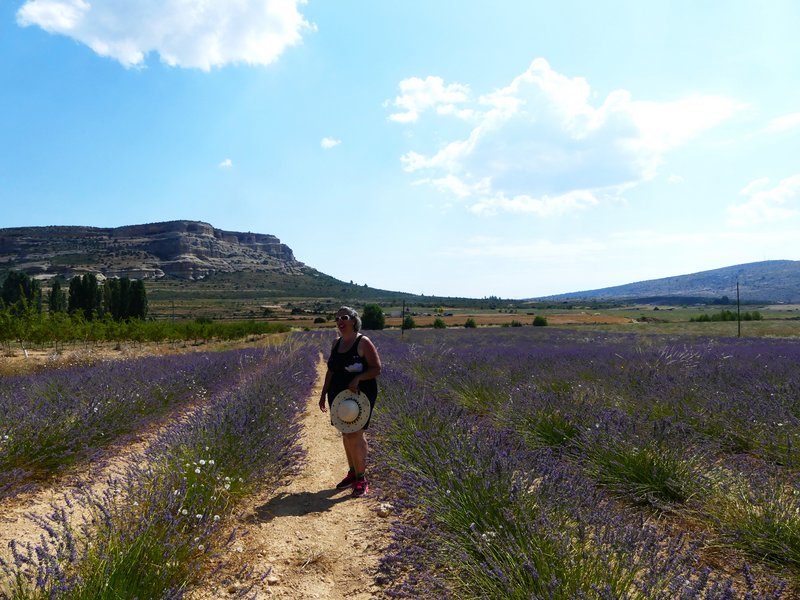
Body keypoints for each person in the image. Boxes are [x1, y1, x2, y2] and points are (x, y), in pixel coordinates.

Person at [319, 306, 382, 497]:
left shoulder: (363, 342)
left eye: (344, 317)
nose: (340, 320)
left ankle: (361, 478)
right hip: (338, 396)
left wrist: (358, 378)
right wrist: (323, 394)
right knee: (346, 434)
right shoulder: (336, 343)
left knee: (356, 433)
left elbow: (376, 368)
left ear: (354, 320)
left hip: (360, 395)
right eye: (337, 317)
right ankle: (353, 473)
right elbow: (330, 370)